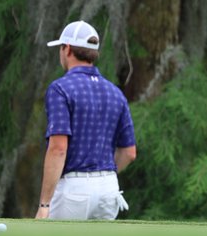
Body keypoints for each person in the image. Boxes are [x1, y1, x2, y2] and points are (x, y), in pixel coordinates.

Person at [36, 20, 137, 220]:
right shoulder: (115, 92)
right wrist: (105, 177)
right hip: (109, 189)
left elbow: (58, 148)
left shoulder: (60, 89)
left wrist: (44, 204)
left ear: (67, 49)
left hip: (74, 191)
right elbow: (129, 153)